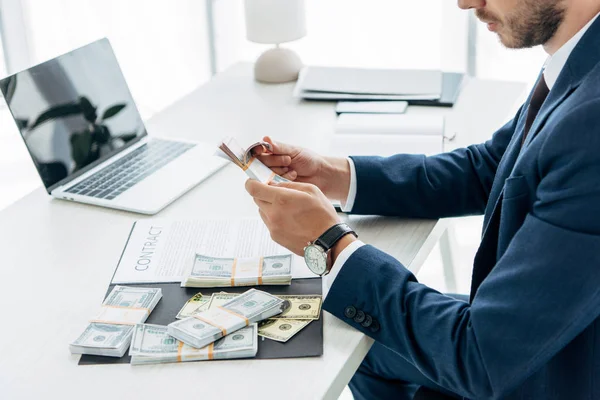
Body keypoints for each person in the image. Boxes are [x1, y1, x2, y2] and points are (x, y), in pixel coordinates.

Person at [245, 0, 600, 398]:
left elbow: (480, 357)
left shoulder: (593, 122)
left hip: (555, 372)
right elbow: (491, 166)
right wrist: (337, 175)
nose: (467, 3)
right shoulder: (581, 59)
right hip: (548, 340)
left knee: (355, 320)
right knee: (354, 323)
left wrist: (331, 244)